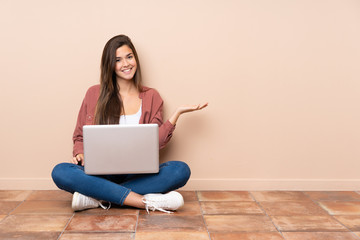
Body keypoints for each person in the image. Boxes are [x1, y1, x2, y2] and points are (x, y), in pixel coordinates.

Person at [51, 34, 208, 213]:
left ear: (135, 58)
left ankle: (97, 197)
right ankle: (143, 201)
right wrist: (79, 154)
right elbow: (80, 136)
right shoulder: (94, 94)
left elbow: (155, 143)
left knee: (180, 170)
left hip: (137, 173)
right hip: (100, 173)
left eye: (129, 57)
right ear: (109, 65)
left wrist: (176, 114)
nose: (126, 64)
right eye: (118, 60)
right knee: (60, 171)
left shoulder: (152, 97)